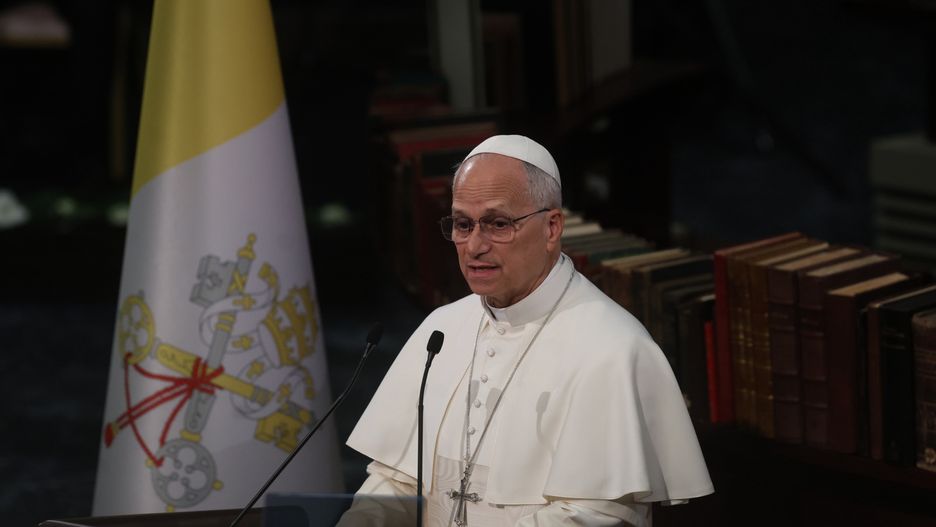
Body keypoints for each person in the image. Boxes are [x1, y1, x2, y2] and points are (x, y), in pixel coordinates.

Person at [342, 135, 713, 527]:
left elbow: (596, 515)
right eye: (463, 225)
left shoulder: (612, 348)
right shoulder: (441, 329)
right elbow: (398, 480)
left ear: (552, 227)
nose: (474, 246)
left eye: (498, 224)